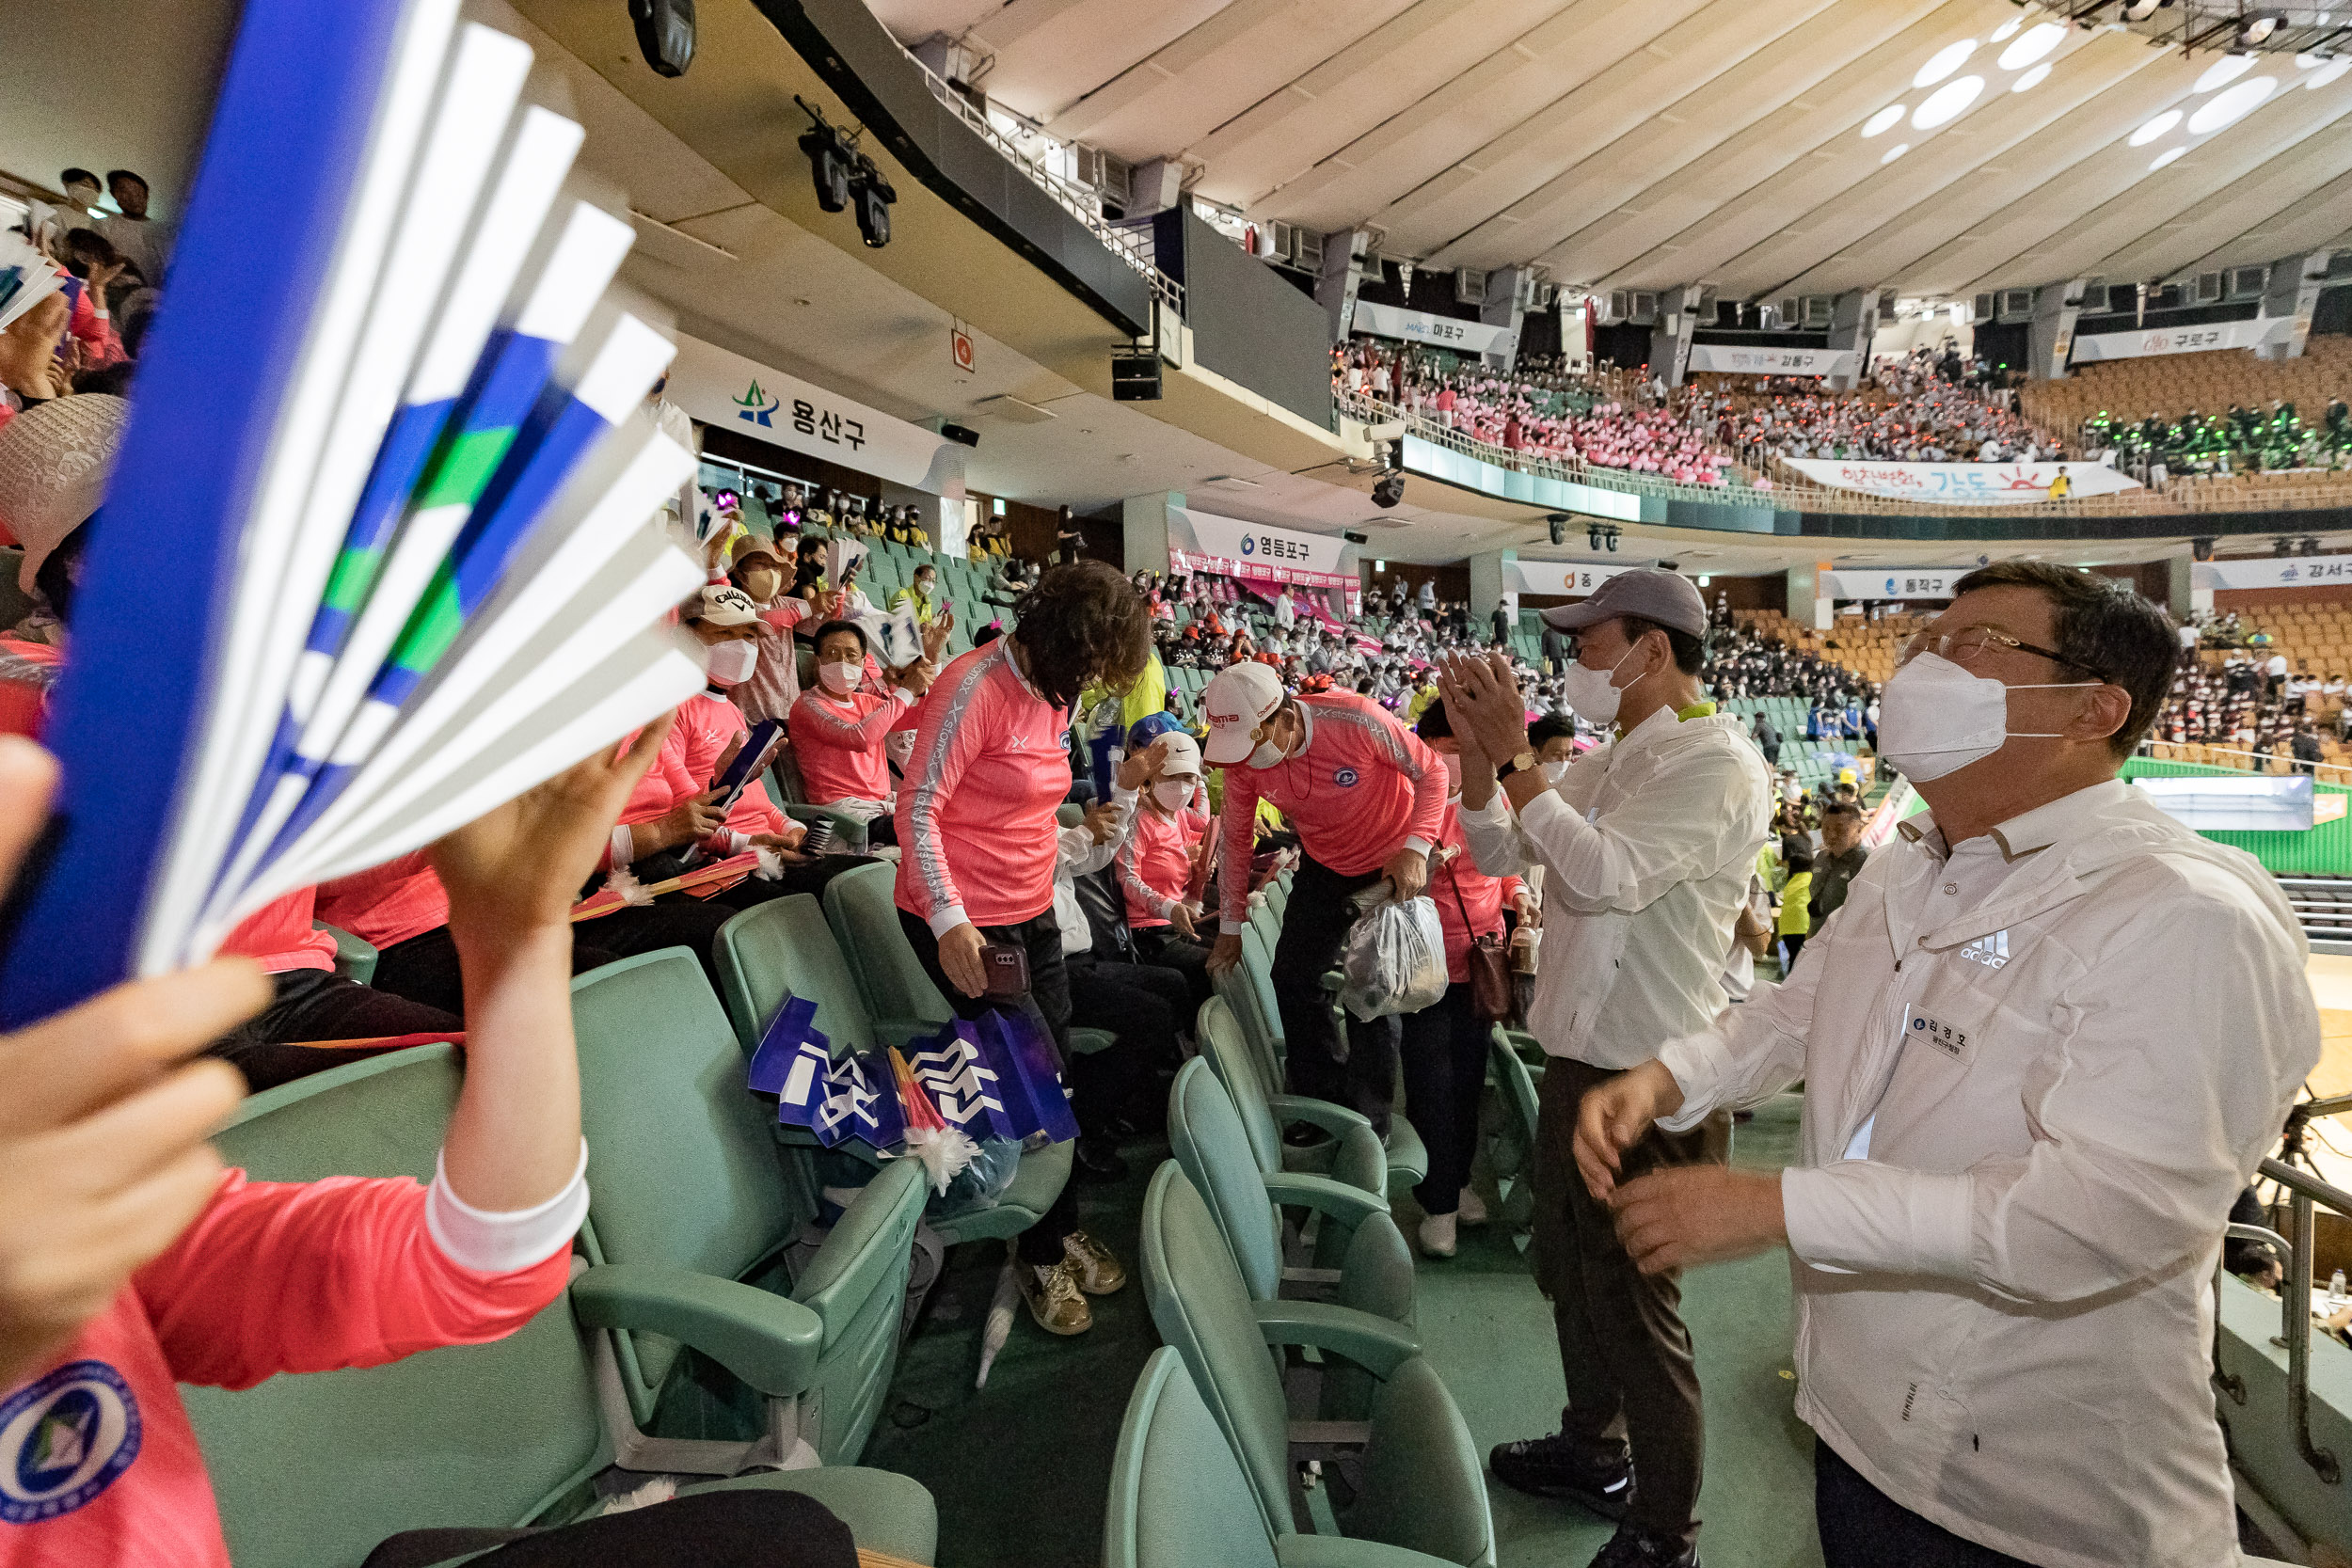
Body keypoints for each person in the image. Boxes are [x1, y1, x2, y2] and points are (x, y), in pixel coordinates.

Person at [1577, 561, 2314, 1568]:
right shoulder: (1913, 860)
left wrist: (1779, 1205)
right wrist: (1669, 1076)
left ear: (2094, 708)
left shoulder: (2181, 914)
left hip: (2033, 1503)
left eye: (1978, 644)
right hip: (1855, 1426)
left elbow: (2097, 1215)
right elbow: (1798, 1012)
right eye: (1927, 640)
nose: (1925, 662)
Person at [0, 724, 860, 1564]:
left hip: (293, 981)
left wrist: (514, 942)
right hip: (263, 988)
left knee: (794, 1538)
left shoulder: (88, 1228)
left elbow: (482, 1263)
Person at [1438, 567, 1771, 1568]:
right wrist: (1475, 760)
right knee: (1571, 1276)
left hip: (1651, 1084)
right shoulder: (1617, 753)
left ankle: (1666, 1532)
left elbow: (1603, 873)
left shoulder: (1715, 764)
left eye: (1589, 640)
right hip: (1582, 1064)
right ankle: (1593, 1446)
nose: (1573, 660)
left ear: (1651, 650)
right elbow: (1500, 846)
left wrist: (1516, 760)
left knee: (1635, 1310)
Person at [894, 560, 1152, 1336]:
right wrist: (949, 920)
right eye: (1095, 667)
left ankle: (1057, 1224)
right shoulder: (975, 687)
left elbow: (1033, 806)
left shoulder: (1056, 692)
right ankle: (1038, 1253)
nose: (1097, 685)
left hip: (1031, 909)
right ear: (1062, 641)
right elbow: (917, 809)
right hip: (965, 919)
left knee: (1060, 1073)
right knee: (1032, 1085)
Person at [1200, 660, 1445, 1132]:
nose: (1247, 760)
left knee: (1375, 989)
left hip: (1390, 866)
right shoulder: (1243, 762)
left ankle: (1371, 1119)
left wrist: (1416, 848)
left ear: (1285, 717)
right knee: (1291, 976)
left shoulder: (1355, 720)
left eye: (1255, 742)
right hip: (1324, 866)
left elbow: (1432, 772)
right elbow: (1234, 842)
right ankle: (1321, 1096)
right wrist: (1230, 929)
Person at [1404, 699, 1534, 1259]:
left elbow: (1503, 871)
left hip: (1482, 963)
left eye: (1466, 749)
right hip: (1424, 966)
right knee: (1430, 1089)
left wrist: (1520, 894)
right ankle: (1437, 1206)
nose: (1457, 760)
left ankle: (1455, 1185)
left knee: (1466, 1086)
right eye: (1448, 748)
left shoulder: (1493, 800)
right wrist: (1413, 870)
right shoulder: (1407, 804)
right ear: (1426, 746)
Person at [787, 619, 938, 845]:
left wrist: (926, 670)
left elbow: (925, 716)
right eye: (832, 652)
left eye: (851, 655)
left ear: (863, 662)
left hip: (883, 808)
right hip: (843, 816)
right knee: (925, 830)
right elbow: (859, 737)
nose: (842, 661)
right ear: (818, 660)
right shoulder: (807, 705)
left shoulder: (867, 702)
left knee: (952, 815)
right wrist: (906, 691)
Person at [1113, 729, 1214, 1011]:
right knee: (1216, 966)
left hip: (1174, 921)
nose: (1181, 786)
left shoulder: (1178, 814)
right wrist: (1167, 907)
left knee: (1228, 954)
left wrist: (1196, 869)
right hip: (1149, 934)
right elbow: (1126, 878)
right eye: (1172, 776)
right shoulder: (1140, 819)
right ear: (1153, 777)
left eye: (1188, 778)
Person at [94, 169, 172, 287]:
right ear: (114, 195)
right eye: (124, 191)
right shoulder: (104, 225)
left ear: (146, 195)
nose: (133, 198)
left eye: (137, 192)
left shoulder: (165, 231)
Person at [1772, 833, 1813, 974]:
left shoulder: (1791, 882)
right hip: (1803, 925)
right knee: (1801, 965)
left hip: (1787, 928)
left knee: (1793, 962)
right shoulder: (1811, 878)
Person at [892, 560, 941, 626]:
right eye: (927, 579)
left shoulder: (928, 602)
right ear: (916, 578)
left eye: (933, 581)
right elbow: (902, 624)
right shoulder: (902, 595)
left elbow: (926, 625)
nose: (930, 584)